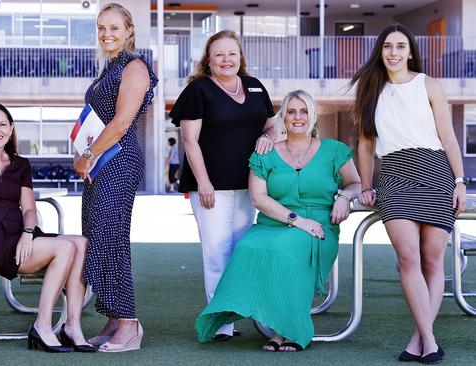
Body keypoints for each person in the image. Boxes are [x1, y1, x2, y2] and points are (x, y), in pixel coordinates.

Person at [195, 89, 361, 351]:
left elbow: (355, 183)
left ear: (313, 115)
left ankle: (289, 330)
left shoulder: (334, 150)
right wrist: (295, 219)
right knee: (250, 246)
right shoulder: (265, 153)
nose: (298, 117)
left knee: (286, 248)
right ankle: (277, 327)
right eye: (291, 112)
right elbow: (258, 197)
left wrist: (343, 196)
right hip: (275, 222)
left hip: (319, 225)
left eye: (304, 111)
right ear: (282, 117)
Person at [351, 24, 465, 364]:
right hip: (396, 177)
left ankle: (419, 337)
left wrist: (459, 181)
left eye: (401, 46)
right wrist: (367, 184)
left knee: (432, 260)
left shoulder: (429, 84)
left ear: (411, 51)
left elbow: (448, 137)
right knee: (408, 258)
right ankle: (430, 339)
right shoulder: (370, 90)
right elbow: (367, 145)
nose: (394, 52)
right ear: (380, 51)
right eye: (387, 46)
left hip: (435, 173)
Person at [0, 103, 94, 353]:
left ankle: (72, 326)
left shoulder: (20, 163)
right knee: (66, 247)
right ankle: (43, 326)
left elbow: (30, 208)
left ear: (11, 128)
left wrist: (27, 234)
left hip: (20, 232)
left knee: (82, 243)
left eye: (3, 124)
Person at [169, 29, 276, 341]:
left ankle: (241, 309)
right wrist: (203, 182)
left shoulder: (255, 87)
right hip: (211, 187)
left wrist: (267, 136)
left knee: (242, 250)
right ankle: (221, 323)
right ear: (209, 60)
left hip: (250, 185)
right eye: (219, 54)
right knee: (217, 252)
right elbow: (189, 140)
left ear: (240, 57)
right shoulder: (198, 91)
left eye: (232, 53)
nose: (226, 59)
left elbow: (271, 124)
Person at [72, 3, 157, 353]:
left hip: (118, 162)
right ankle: (111, 315)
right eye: (101, 27)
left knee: (112, 236)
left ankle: (129, 323)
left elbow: (122, 123)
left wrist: (89, 155)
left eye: (114, 28)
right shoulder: (110, 67)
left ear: (129, 31)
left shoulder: (134, 66)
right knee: (97, 236)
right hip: (101, 162)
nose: (107, 34)